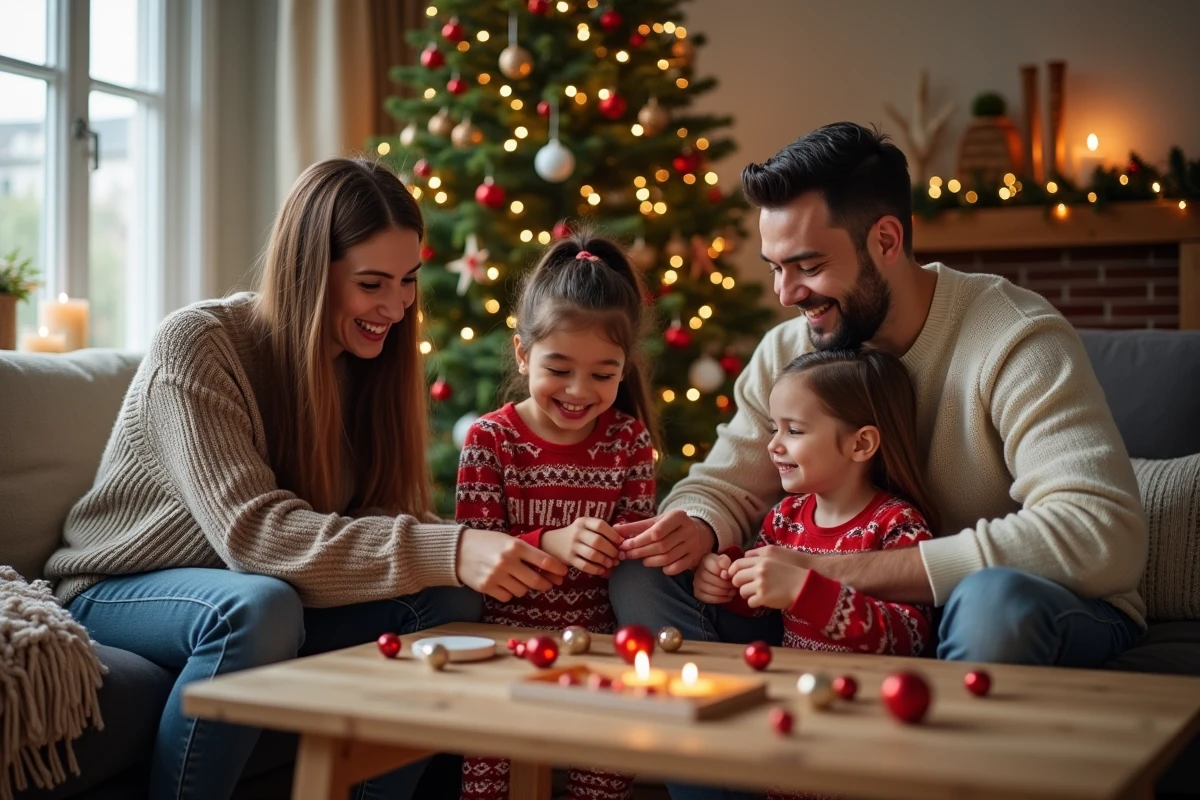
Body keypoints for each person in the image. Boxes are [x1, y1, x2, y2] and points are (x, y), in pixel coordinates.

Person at [45, 157, 569, 800]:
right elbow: (256, 538)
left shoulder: (363, 364)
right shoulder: (199, 344)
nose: (398, 307)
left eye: (408, 280)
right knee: (259, 607)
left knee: (448, 603)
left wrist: (496, 549)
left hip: (264, 593)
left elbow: (374, 515)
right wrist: (453, 549)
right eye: (372, 283)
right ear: (308, 272)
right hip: (120, 587)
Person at [611, 121, 1147, 672]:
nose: (786, 294)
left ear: (886, 240)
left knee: (990, 604)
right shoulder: (788, 351)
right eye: (775, 269)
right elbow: (722, 486)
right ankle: (727, 745)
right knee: (645, 570)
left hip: (1023, 609)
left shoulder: (1015, 338)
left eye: (809, 266)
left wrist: (827, 571)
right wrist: (696, 527)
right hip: (847, 617)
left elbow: (1100, 533)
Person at [456, 234, 658, 800]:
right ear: (523, 354)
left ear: (625, 369)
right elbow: (478, 551)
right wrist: (554, 541)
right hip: (503, 650)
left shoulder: (630, 441)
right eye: (559, 368)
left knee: (607, 773)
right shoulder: (490, 441)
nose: (578, 390)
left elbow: (635, 557)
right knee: (491, 784)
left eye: (602, 373)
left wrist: (629, 543)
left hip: (598, 648)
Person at [695, 348, 934, 669]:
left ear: (860, 444)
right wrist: (730, 580)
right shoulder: (784, 518)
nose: (773, 444)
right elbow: (762, 605)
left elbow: (909, 638)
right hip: (792, 681)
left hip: (873, 691)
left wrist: (807, 593)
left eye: (793, 430)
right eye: (773, 428)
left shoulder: (897, 523)